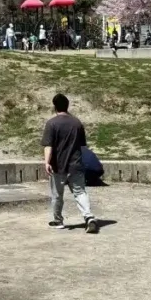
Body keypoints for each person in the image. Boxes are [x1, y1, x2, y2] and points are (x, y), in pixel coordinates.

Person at [42, 94, 98, 233]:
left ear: (55, 107)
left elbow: (48, 146)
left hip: (58, 165)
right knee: (80, 192)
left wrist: (47, 162)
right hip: (76, 164)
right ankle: (89, 217)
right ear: (67, 106)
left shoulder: (52, 123)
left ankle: (58, 220)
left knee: (57, 194)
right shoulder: (77, 123)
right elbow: (82, 146)